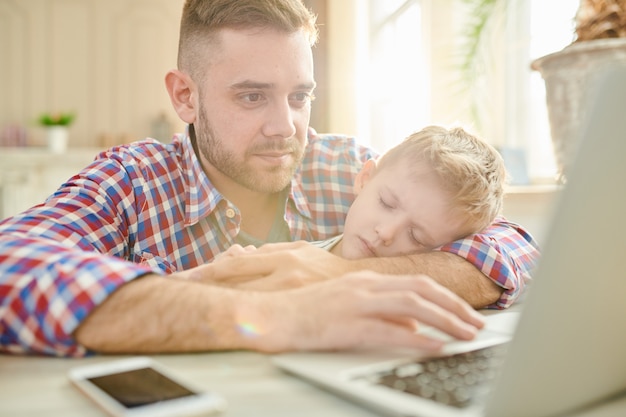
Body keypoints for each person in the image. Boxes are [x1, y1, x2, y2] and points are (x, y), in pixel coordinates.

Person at [0, 0, 539, 357]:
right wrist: (276, 312)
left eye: (300, 96)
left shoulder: (346, 166)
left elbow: (512, 246)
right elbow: (10, 267)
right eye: (252, 96)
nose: (287, 127)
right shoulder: (130, 180)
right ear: (185, 96)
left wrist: (332, 275)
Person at [218, 125, 507, 261]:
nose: (386, 233)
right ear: (365, 178)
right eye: (386, 203)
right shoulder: (297, 255)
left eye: (417, 237)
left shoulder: (417, 287)